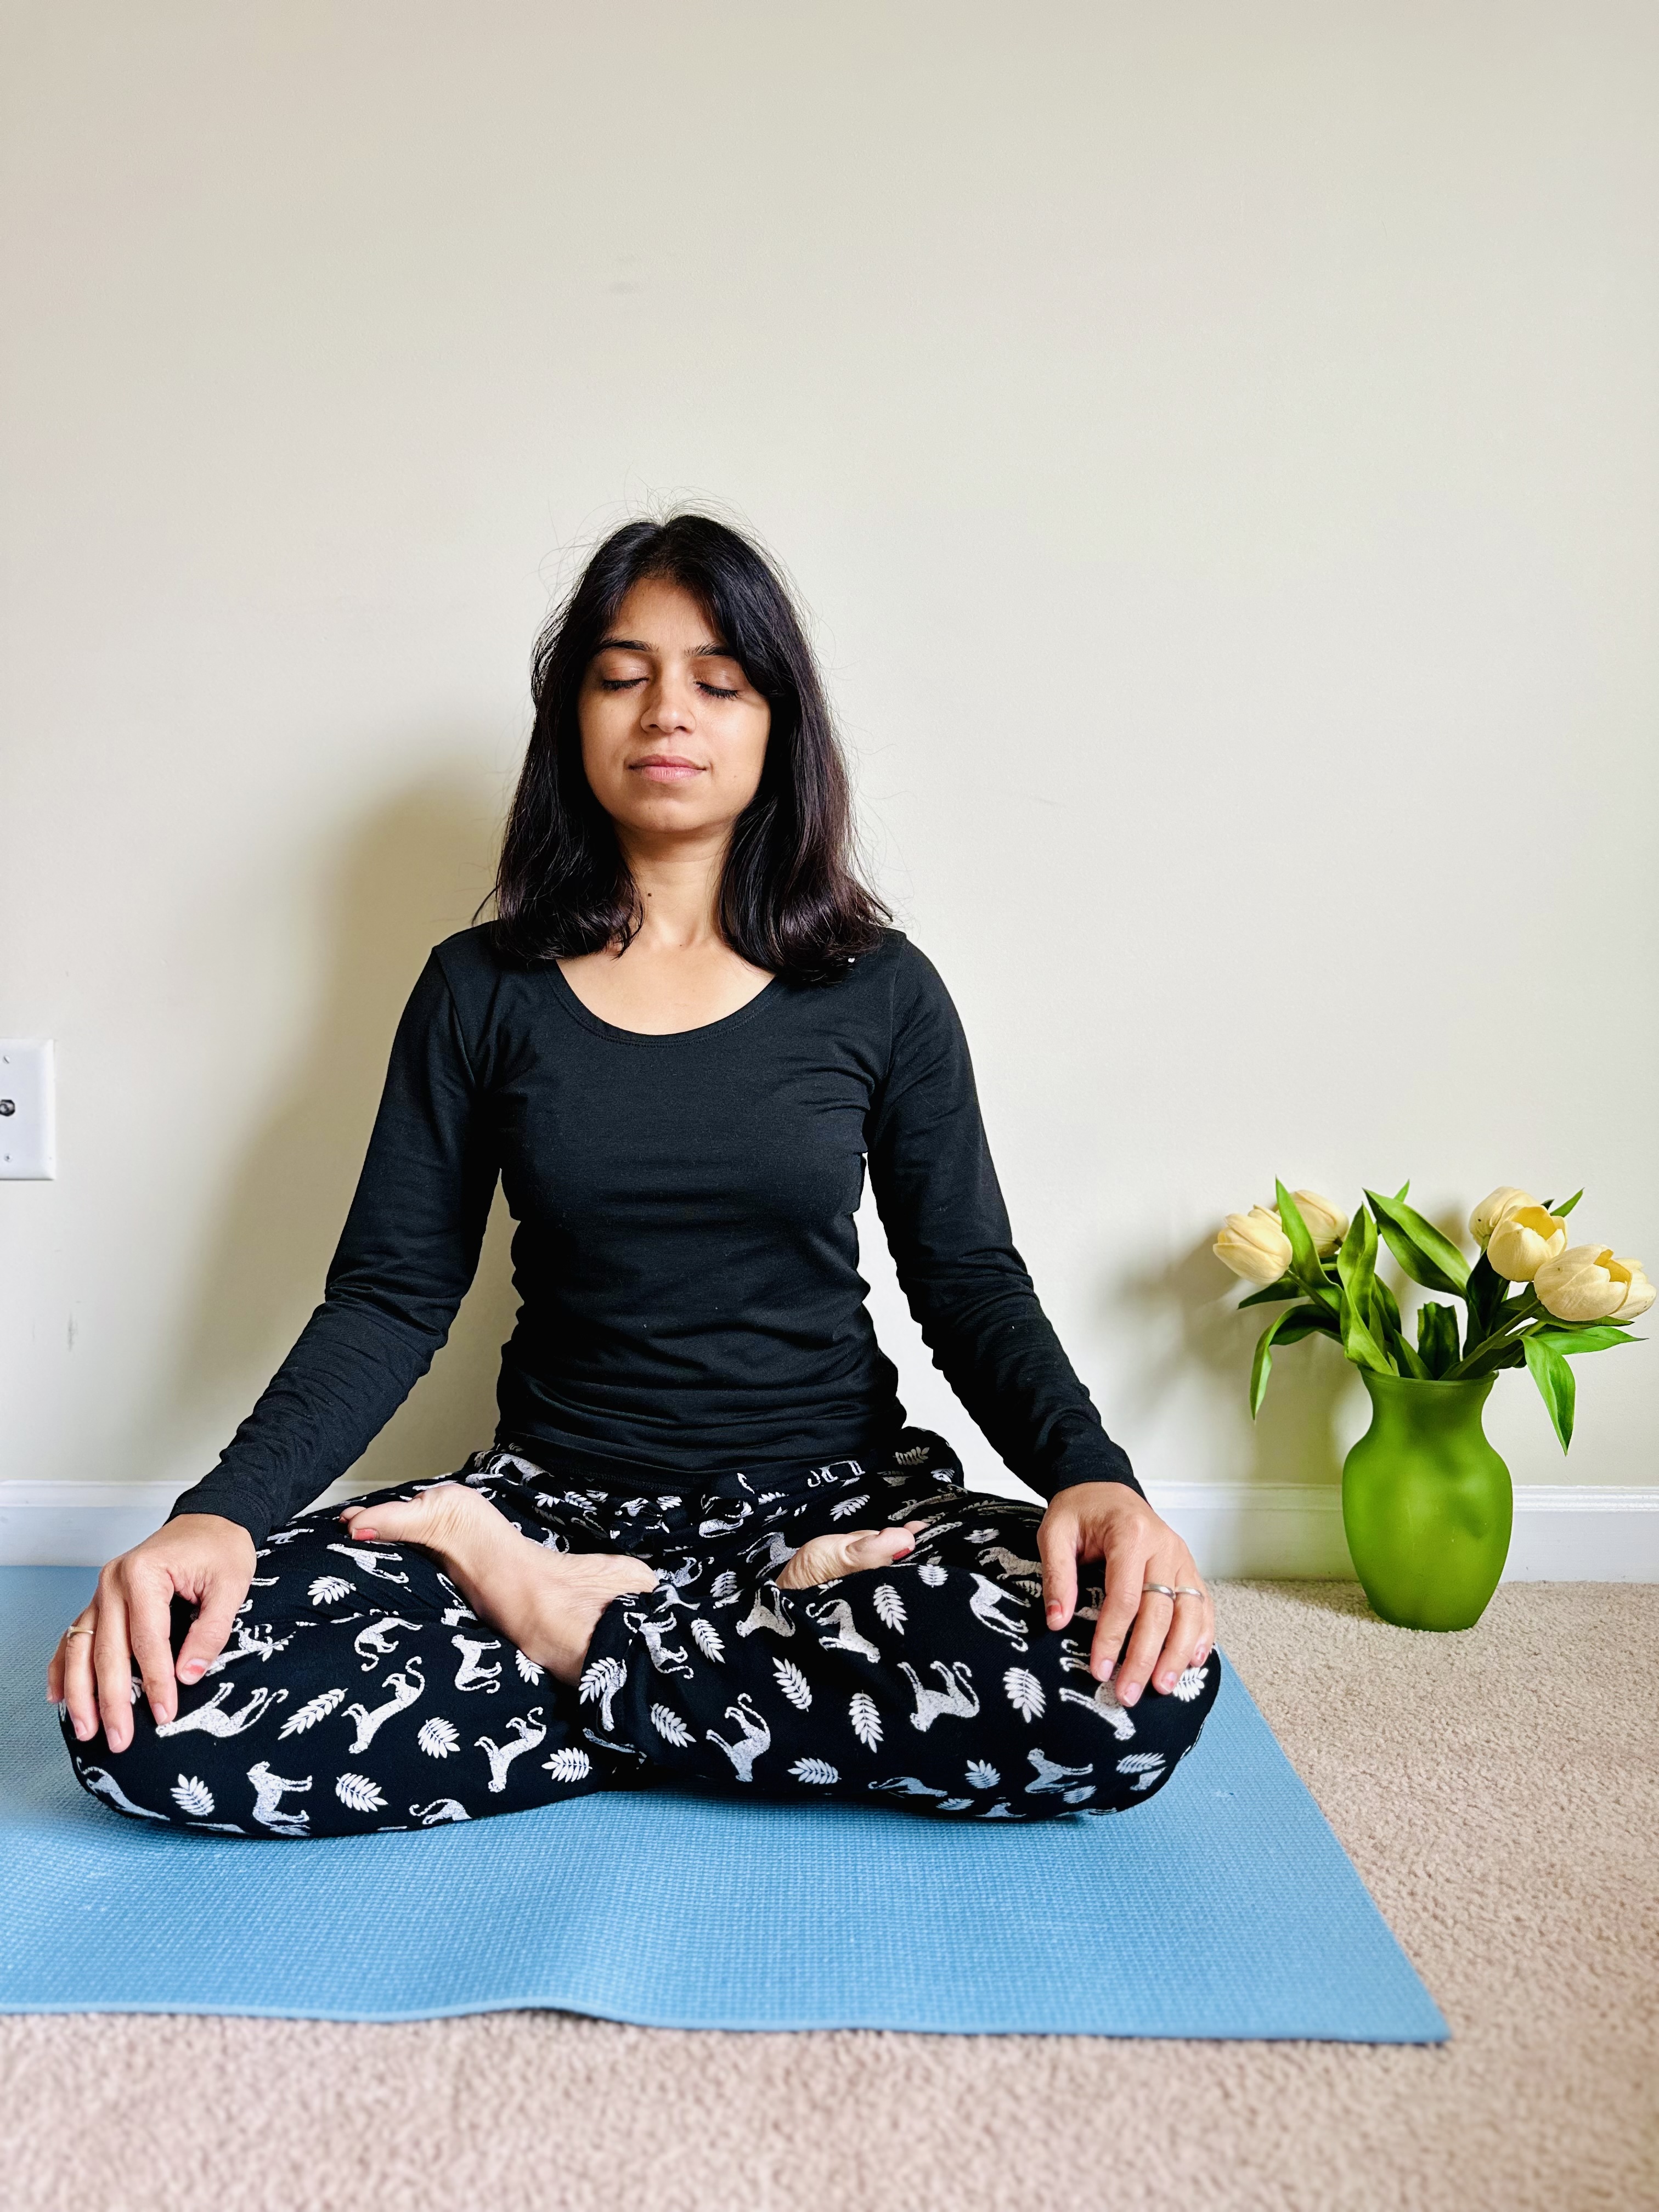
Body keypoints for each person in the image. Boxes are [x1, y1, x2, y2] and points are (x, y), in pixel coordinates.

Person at [48, 514, 1220, 1839]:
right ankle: (719, 1657)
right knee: (141, 1715)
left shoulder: (880, 992)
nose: (669, 710)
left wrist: (1096, 1477)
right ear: (573, 719)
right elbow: (388, 1297)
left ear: (779, 724)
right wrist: (219, 1519)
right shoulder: (479, 989)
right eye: (623, 675)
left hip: (834, 1508)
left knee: (1143, 1688)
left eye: (719, 680)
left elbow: (965, 1280)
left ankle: (578, 1637)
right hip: (548, 1507)